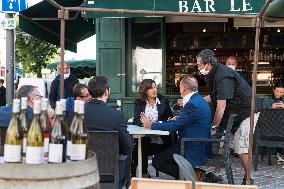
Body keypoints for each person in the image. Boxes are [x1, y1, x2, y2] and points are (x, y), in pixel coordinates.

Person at [196, 49, 256, 185]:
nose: (198, 67)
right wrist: (194, 101)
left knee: (241, 146)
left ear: (208, 64)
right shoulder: (213, 74)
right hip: (232, 113)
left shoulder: (223, 76)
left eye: (199, 65)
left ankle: (248, 179)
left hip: (246, 112)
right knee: (224, 143)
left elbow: (221, 105)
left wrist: (214, 126)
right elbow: (213, 97)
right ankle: (216, 174)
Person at [141, 75, 211, 179]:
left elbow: (175, 126)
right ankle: (191, 174)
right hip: (198, 143)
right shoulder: (199, 100)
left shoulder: (192, 104)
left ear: (184, 88)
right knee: (164, 150)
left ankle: (193, 175)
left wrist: (151, 125)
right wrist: (177, 120)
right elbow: (180, 122)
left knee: (157, 161)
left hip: (190, 146)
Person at [84, 76, 133, 189]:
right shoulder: (116, 116)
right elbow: (128, 148)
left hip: (83, 169)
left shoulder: (75, 113)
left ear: (89, 92)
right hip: (111, 173)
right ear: (106, 91)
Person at [132, 79, 173, 178]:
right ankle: (142, 173)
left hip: (161, 139)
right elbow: (136, 120)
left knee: (139, 149)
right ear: (145, 90)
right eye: (151, 88)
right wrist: (142, 122)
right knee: (138, 148)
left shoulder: (163, 100)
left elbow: (170, 119)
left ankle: (142, 173)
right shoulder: (139, 102)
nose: (154, 90)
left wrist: (152, 123)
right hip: (146, 137)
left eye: (155, 87)